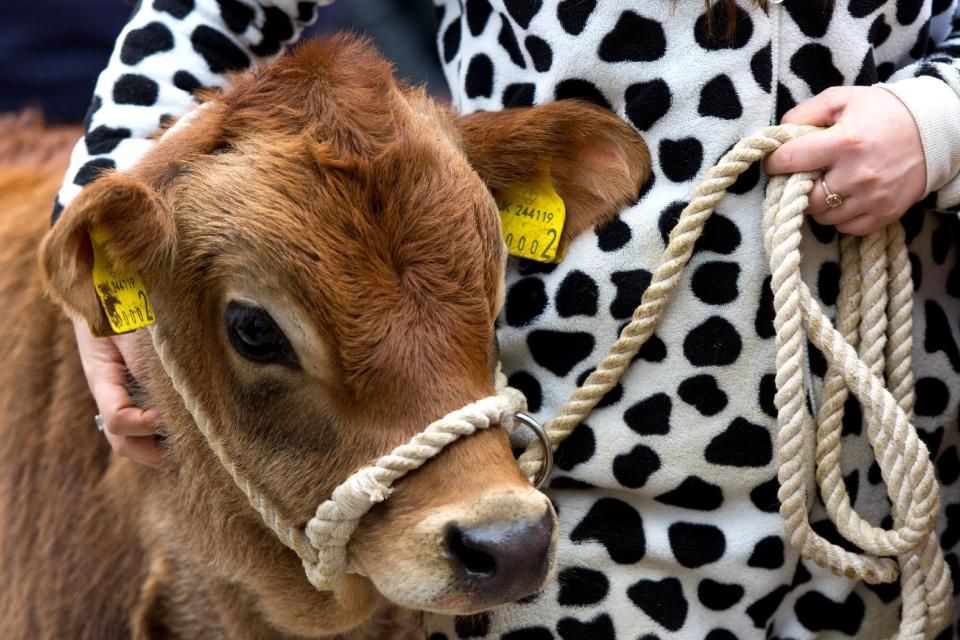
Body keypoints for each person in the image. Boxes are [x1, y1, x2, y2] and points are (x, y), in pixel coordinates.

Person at [54, 0, 960, 637]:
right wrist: (102, 219)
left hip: (902, 435)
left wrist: (937, 117)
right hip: (556, 448)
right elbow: (204, 7)